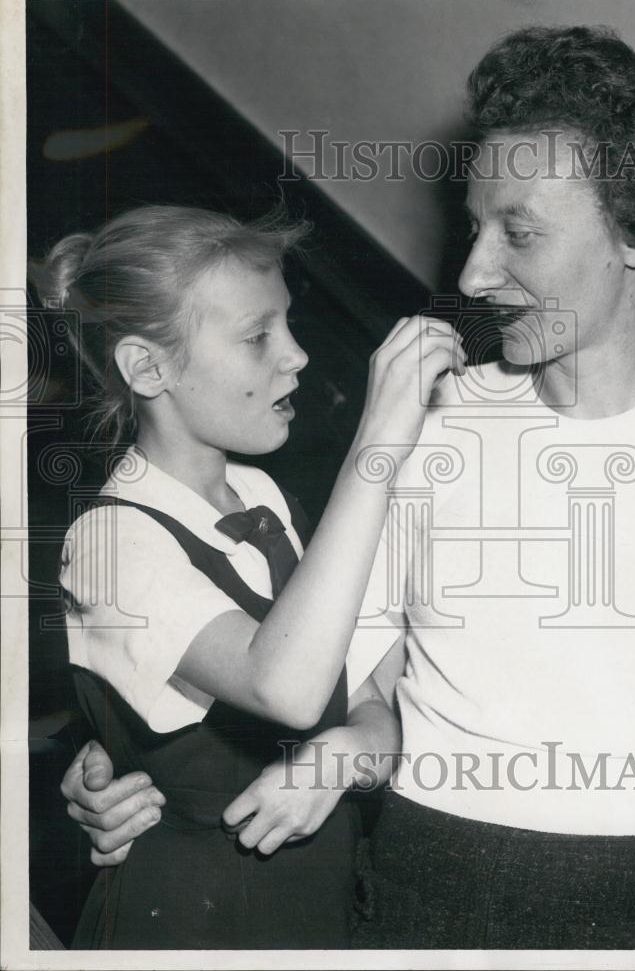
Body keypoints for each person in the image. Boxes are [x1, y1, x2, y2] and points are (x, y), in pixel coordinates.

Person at [61, 27, 635, 950]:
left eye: (517, 231)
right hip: (415, 889)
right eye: (473, 227)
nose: (473, 275)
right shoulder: (427, 426)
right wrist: (131, 759)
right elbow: (340, 687)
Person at [40, 203, 464, 949]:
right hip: (195, 924)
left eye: (289, 325)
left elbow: (371, 709)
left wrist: (340, 758)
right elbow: (289, 690)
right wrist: (375, 450)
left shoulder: (265, 498)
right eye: (257, 336)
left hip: (316, 906)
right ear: (147, 366)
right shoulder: (106, 541)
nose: (296, 355)